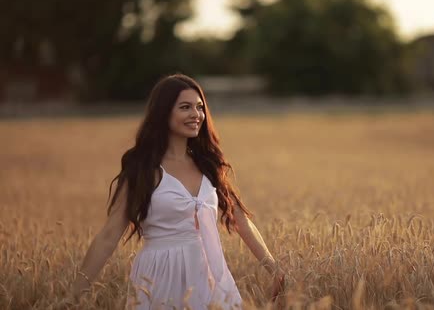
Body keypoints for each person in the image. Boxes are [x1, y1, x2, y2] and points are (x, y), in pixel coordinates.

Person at [71, 74, 285, 309]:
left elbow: (241, 220)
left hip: (208, 276)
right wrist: (73, 296)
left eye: (199, 107)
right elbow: (109, 235)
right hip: (158, 277)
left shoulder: (208, 164)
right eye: (185, 107)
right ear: (163, 113)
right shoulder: (142, 169)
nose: (196, 115)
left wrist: (273, 268)